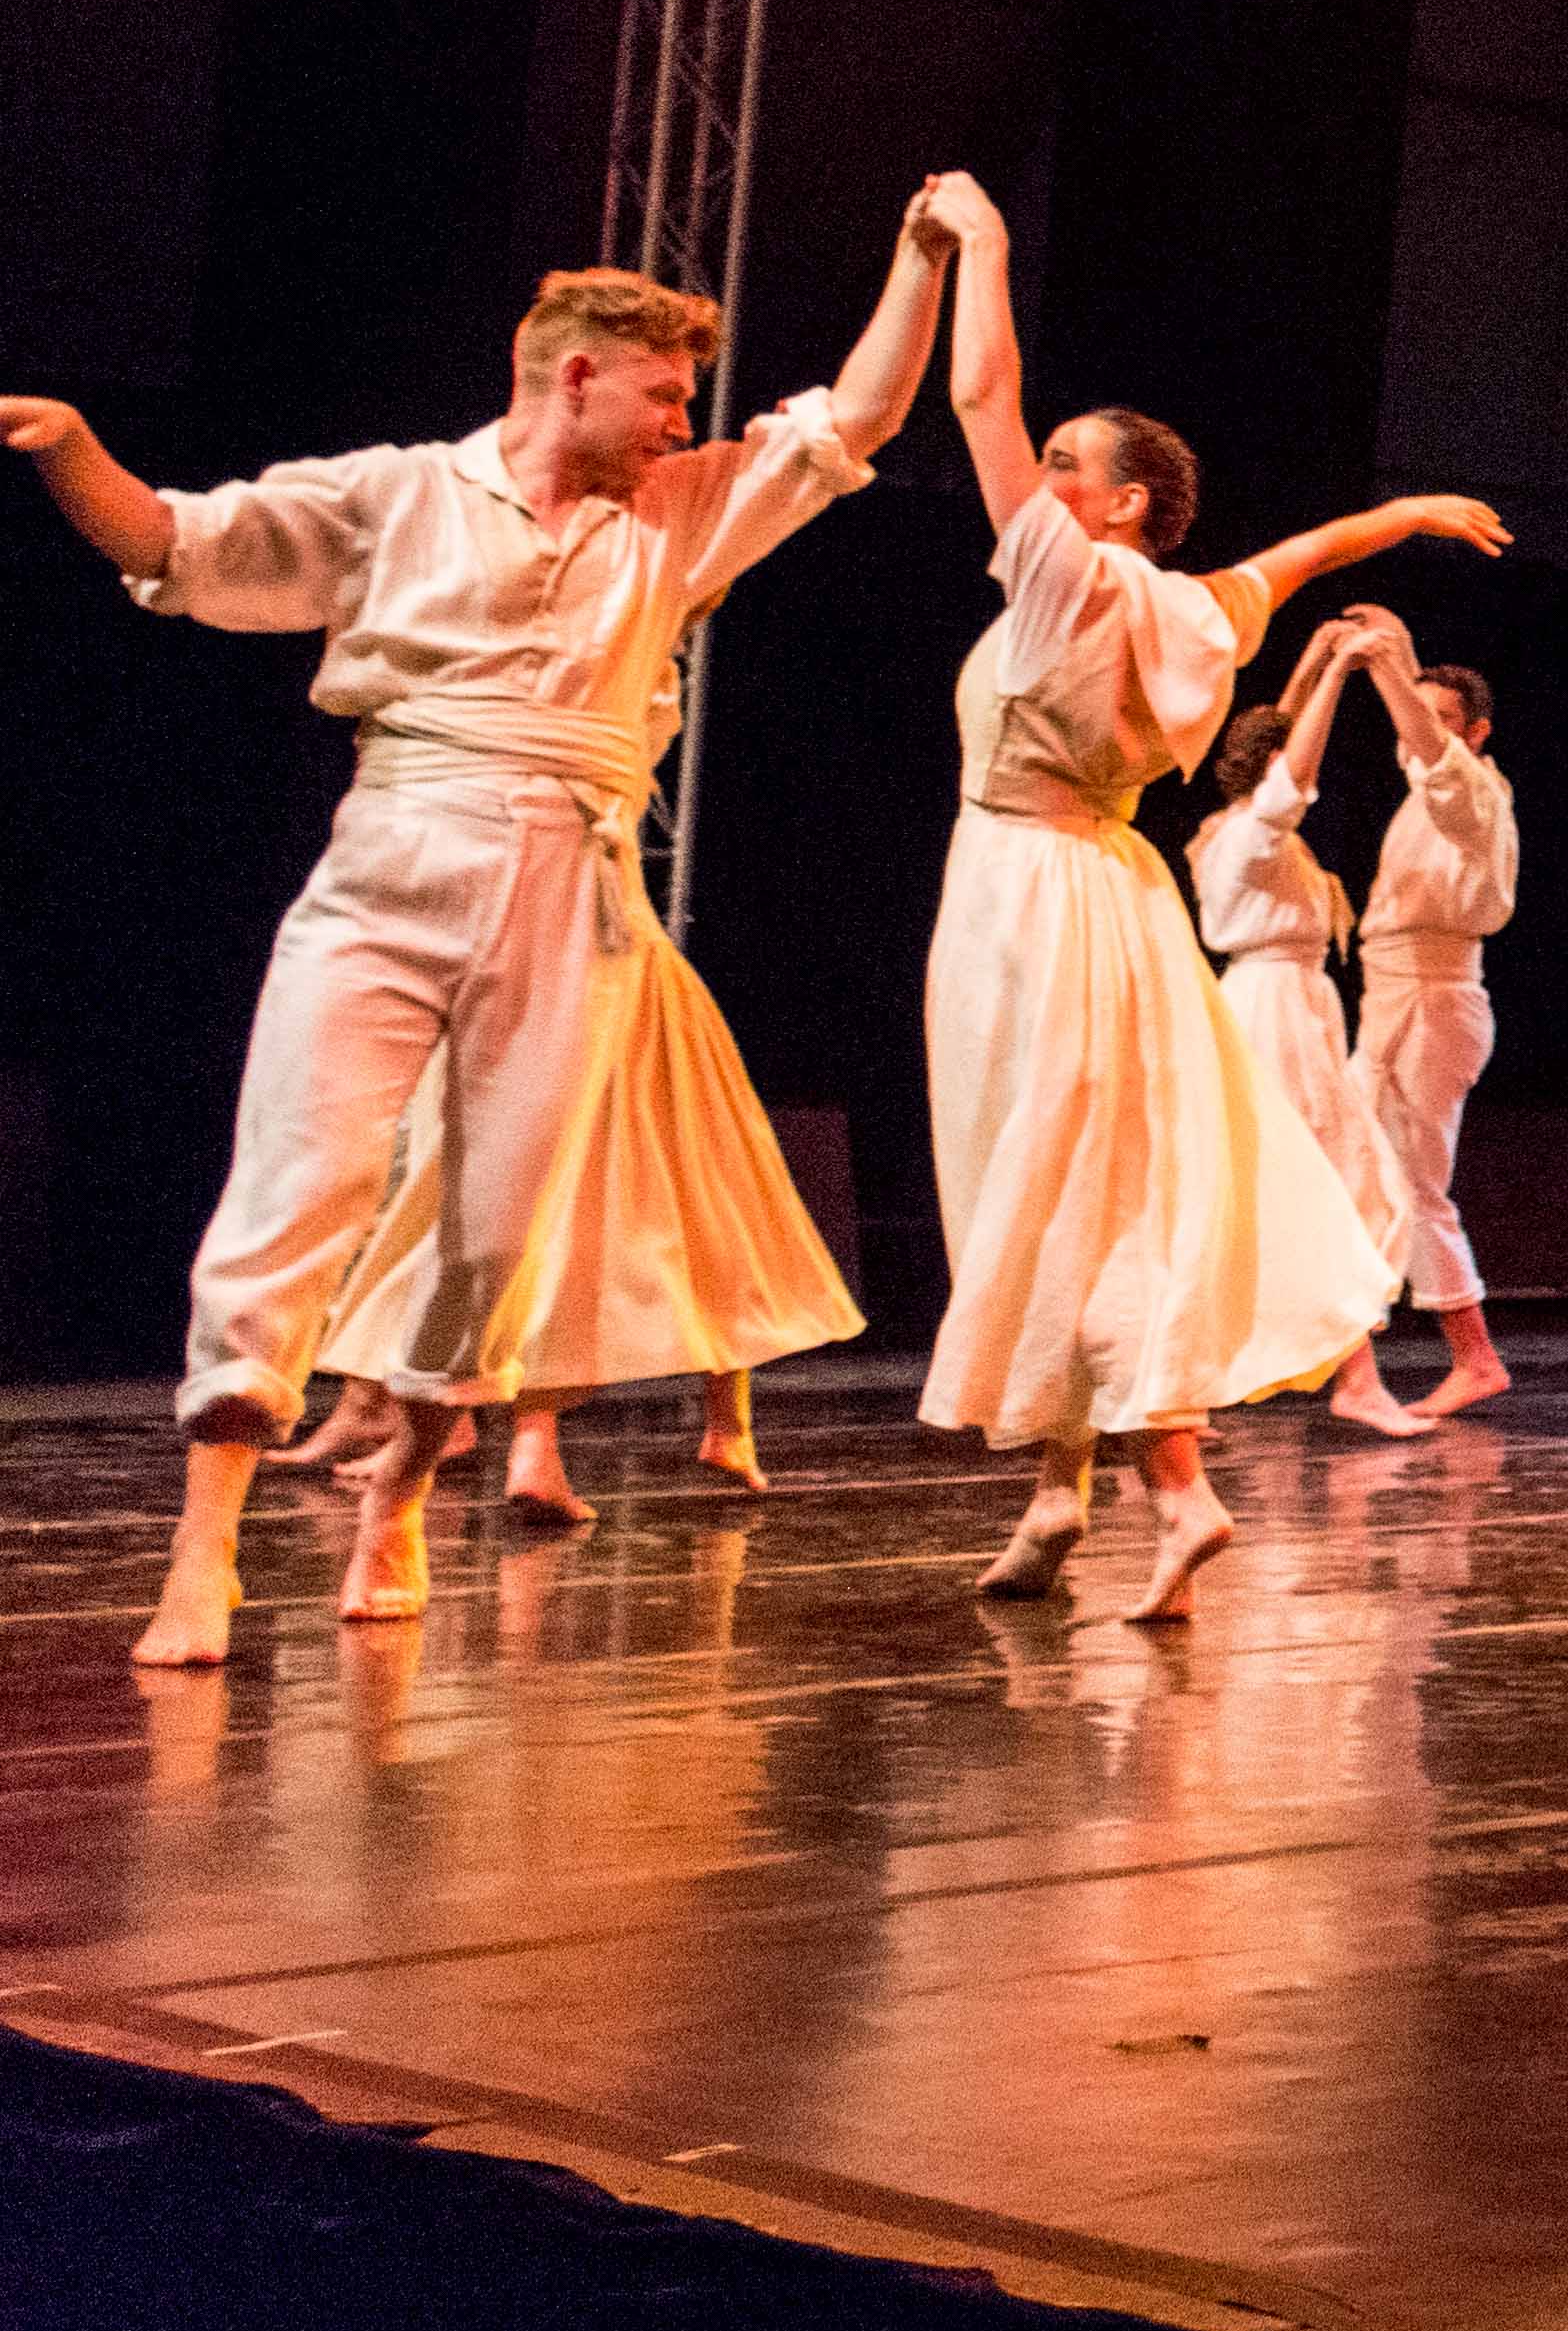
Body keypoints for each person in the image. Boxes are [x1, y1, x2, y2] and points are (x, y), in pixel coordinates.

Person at [9, 204, 946, 1663]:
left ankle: (400, 1484)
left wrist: (925, 257)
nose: (679, 423)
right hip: (397, 854)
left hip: (573, 879)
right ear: (572, 376)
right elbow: (180, 542)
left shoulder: (677, 515)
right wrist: (74, 446)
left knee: (500, 1229)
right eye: (663, 395)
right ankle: (204, 1555)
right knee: (294, 1182)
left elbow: (862, 415)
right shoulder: (397, 495)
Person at [907, 174, 1498, 1623]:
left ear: (1120, 506)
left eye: (1066, 465)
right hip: (1108, 896)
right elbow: (1302, 559)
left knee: (1049, 1197)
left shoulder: (1070, 583)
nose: (1036, 478)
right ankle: (1062, 1485)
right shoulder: (1199, 607)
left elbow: (979, 393)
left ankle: (1174, 1486)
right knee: (1049, 1191)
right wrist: (1405, 512)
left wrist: (981, 242)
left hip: (1028, 896)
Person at [1189, 615, 1436, 1438]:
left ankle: (1198, 1377)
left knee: (1305, 1190)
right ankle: (1351, 1379)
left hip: (1292, 1009)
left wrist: (1319, 657)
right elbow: (1289, 771)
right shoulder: (1249, 838)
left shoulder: (1236, 829)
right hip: (1271, 1015)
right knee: (1318, 1189)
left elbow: (1273, 742)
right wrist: (1341, 675)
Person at [1343, 635, 1521, 1424]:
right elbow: (1421, 756)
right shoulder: (1427, 790)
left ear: (1477, 732)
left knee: (1415, 1185)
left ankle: (1474, 1356)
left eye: (1444, 717)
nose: (1422, 728)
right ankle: (1347, 1360)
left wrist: (1386, 668)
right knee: (1362, 1176)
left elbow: (1435, 762)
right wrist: (1399, 660)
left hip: (1431, 996)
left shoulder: (1476, 793)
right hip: (1395, 995)